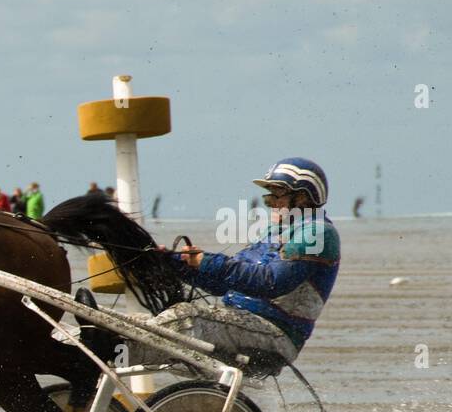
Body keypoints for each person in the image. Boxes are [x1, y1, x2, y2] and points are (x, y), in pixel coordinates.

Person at [142, 157, 340, 368]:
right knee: (139, 324)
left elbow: (270, 282)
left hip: (276, 334)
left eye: (276, 194)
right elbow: (223, 284)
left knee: (186, 317)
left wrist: (205, 261)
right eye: (268, 196)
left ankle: (119, 355)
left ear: (301, 197)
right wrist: (176, 264)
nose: (270, 202)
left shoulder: (317, 234)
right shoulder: (275, 232)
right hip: (244, 323)